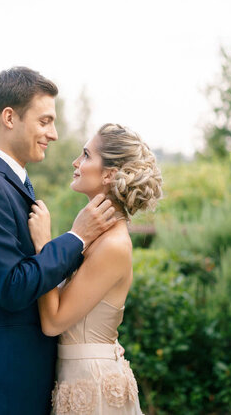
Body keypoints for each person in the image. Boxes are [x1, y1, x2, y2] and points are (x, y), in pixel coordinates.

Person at [0, 67, 118, 415]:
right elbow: (11, 287)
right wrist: (76, 238)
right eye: (44, 121)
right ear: (9, 117)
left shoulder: (10, 183)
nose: (53, 134)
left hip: (22, 382)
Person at [28, 123, 163, 415]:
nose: (76, 163)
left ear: (109, 174)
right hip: (77, 377)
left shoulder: (113, 245)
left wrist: (43, 247)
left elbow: (53, 322)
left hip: (94, 386)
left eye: (86, 155)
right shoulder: (93, 234)